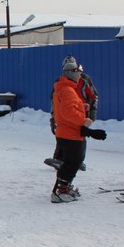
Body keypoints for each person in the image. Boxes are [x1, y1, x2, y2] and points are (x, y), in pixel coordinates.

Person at [50, 58, 107, 202]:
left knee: (71, 161)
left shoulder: (64, 87)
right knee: (73, 162)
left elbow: (67, 107)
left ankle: (63, 187)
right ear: (71, 73)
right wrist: (84, 121)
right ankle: (61, 191)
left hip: (66, 131)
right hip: (71, 133)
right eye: (78, 72)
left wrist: (82, 106)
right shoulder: (68, 90)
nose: (80, 75)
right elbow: (67, 112)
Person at [45, 57, 97, 172]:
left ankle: (77, 160)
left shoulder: (84, 79)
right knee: (65, 135)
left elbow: (93, 95)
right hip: (71, 114)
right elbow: (55, 101)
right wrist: (53, 116)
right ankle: (60, 158)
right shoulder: (61, 83)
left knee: (77, 136)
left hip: (80, 113)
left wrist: (91, 112)